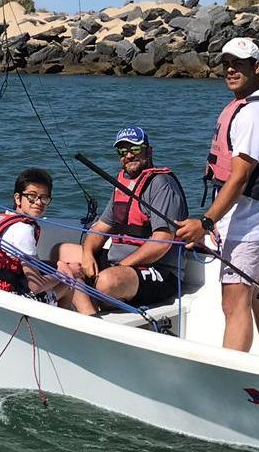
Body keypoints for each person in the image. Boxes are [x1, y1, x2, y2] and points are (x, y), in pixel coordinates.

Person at [176, 37, 259, 358]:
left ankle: (232, 376)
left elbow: (239, 177)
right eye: (226, 64)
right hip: (253, 218)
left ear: (257, 67)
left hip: (246, 222)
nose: (230, 70)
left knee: (234, 303)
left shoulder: (254, 115)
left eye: (238, 64)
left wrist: (204, 222)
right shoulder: (250, 108)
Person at [55, 126, 187, 315]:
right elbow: (100, 228)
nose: (129, 155)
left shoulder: (161, 185)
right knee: (60, 251)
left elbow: (161, 243)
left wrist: (123, 265)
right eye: (122, 151)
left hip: (159, 271)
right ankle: (88, 311)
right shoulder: (122, 185)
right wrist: (88, 254)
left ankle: (89, 312)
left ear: (149, 151)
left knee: (106, 282)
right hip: (118, 262)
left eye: (135, 149)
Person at [0, 168, 61, 300]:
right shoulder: (23, 229)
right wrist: (64, 275)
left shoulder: (1, 218)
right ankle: (86, 312)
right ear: (17, 198)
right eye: (32, 196)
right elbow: (35, 285)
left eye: (44, 198)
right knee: (71, 283)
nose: (38, 202)